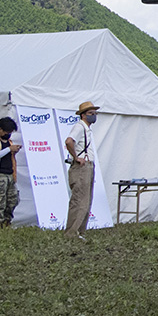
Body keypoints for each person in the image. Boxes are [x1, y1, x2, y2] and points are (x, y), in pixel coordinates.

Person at [64, 101, 100, 239]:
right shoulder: (79, 127)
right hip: (81, 167)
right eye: (91, 113)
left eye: (94, 113)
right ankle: (71, 232)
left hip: (88, 166)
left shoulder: (86, 129)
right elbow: (69, 141)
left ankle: (79, 231)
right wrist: (76, 157)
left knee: (86, 200)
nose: (94, 116)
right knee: (80, 200)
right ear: (83, 115)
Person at [0, 117, 22, 228]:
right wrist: (9, 149)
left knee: (12, 200)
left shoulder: (8, 141)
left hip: (10, 175)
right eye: (6, 132)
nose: (8, 134)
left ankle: (6, 223)